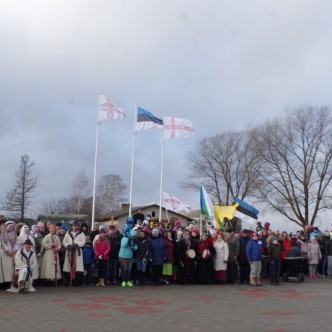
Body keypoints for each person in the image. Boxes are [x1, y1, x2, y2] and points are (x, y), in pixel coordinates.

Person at [62, 221, 86, 286]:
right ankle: (69, 281)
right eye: (73, 225)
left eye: (76, 226)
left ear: (78, 226)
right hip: (69, 250)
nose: (74, 227)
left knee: (77, 266)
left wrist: (77, 245)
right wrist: (68, 246)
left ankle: (76, 281)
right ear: (71, 226)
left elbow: (83, 242)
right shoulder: (67, 234)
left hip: (77, 251)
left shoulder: (81, 234)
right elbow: (64, 242)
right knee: (69, 265)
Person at [0, 221, 17, 288]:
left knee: (11, 268)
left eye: (12, 226)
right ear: (6, 226)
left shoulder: (14, 234)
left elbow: (17, 243)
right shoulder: (3, 233)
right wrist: (7, 250)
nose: (11, 227)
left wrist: (14, 250)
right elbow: (2, 243)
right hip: (5, 253)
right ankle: (4, 283)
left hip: (12, 252)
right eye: (10, 226)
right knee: (5, 268)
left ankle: (9, 282)